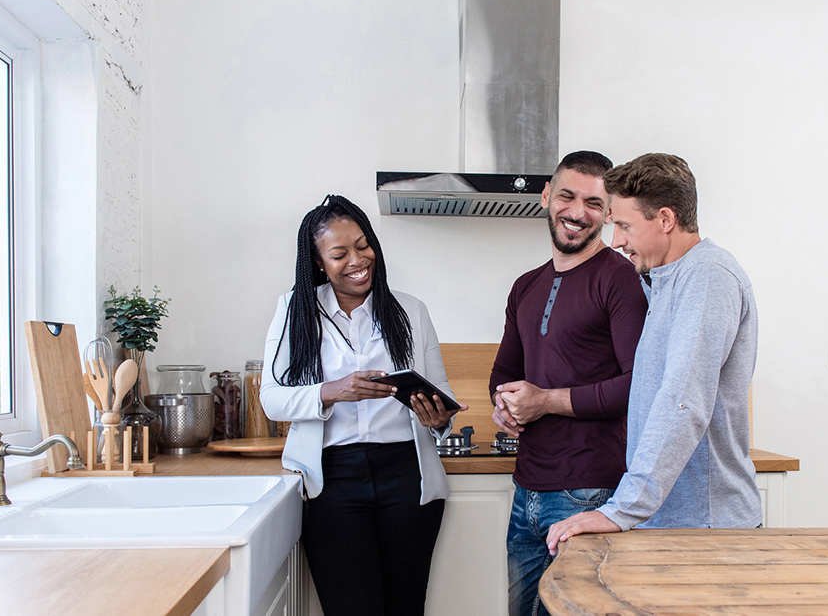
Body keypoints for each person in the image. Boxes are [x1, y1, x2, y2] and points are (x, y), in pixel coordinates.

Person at [546, 153, 762, 556]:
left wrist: (623, 508)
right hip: (671, 521)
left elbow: (684, 400)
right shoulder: (663, 280)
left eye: (625, 225)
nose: (616, 241)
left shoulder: (708, 276)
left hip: (706, 528)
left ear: (665, 220)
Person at [260, 195, 466, 616]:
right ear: (318, 262)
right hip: (333, 482)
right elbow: (272, 398)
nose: (357, 259)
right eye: (339, 254)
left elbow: (440, 392)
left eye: (363, 244)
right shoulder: (294, 310)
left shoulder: (411, 310)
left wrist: (439, 418)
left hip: (407, 479)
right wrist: (331, 391)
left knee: (405, 608)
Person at [490, 151, 648, 616]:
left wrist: (545, 402)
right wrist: (504, 406)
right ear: (546, 196)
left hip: (591, 492)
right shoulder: (525, 285)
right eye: (567, 196)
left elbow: (637, 385)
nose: (577, 213)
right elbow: (503, 373)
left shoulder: (621, 279)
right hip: (527, 492)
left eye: (595, 203)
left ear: (610, 211)